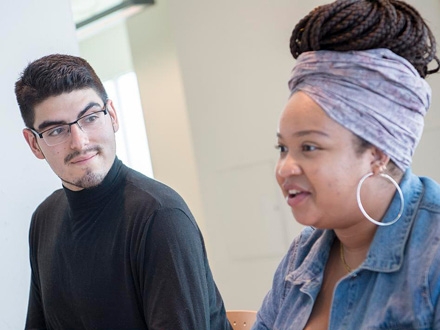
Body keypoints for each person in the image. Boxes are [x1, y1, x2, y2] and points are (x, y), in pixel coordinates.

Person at [252, 0, 440, 329]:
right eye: (283, 147)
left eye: (308, 147)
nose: (284, 169)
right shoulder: (301, 256)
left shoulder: (432, 256)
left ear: (378, 153)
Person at [15, 54, 232, 330]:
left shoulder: (160, 217)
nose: (80, 142)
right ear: (34, 143)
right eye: (57, 130)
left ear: (113, 116)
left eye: (90, 118)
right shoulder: (44, 218)